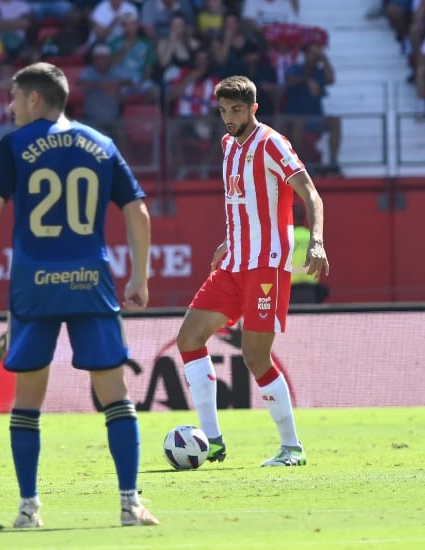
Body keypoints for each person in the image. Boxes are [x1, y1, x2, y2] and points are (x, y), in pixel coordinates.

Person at [0, 61, 159, 528]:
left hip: (34, 287)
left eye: (14, 98)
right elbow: (138, 213)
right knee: (115, 394)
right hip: (89, 282)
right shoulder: (102, 144)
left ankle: (29, 510)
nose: (10, 108)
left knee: (28, 398)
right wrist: (140, 276)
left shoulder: (15, 145)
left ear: (34, 99)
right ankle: (130, 504)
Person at [174, 75, 329, 468]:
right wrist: (231, 239)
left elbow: (310, 192)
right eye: (224, 111)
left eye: (237, 110)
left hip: (266, 266)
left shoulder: (272, 143)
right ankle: (211, 441)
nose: (229, 118)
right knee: (189, 337)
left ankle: (292, 447)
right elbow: (241, 201)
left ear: (253, 109)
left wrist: (316, 240)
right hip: (233, 262)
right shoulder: (227, 145)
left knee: (255, 357)